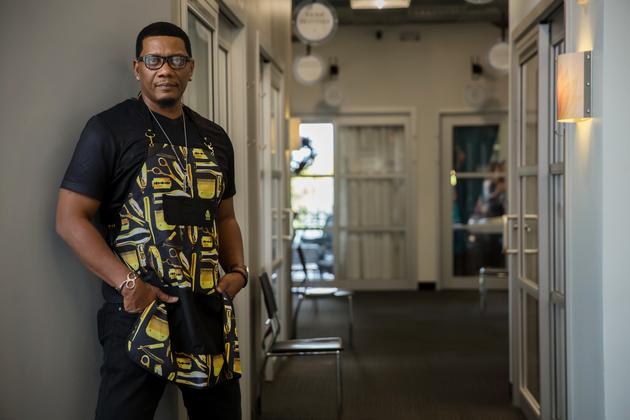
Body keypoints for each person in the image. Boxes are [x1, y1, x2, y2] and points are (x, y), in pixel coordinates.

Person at [55, 21, 247, 420]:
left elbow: (225, 216)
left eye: (176, 60)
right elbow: (70, 219)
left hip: (206, 307)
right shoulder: (108, 129)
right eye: (154, 60)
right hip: (139, 309)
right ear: (137, 67)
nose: (165, 70)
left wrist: (238, 271)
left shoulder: (214, 137)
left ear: (191, 68)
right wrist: (129, 285)